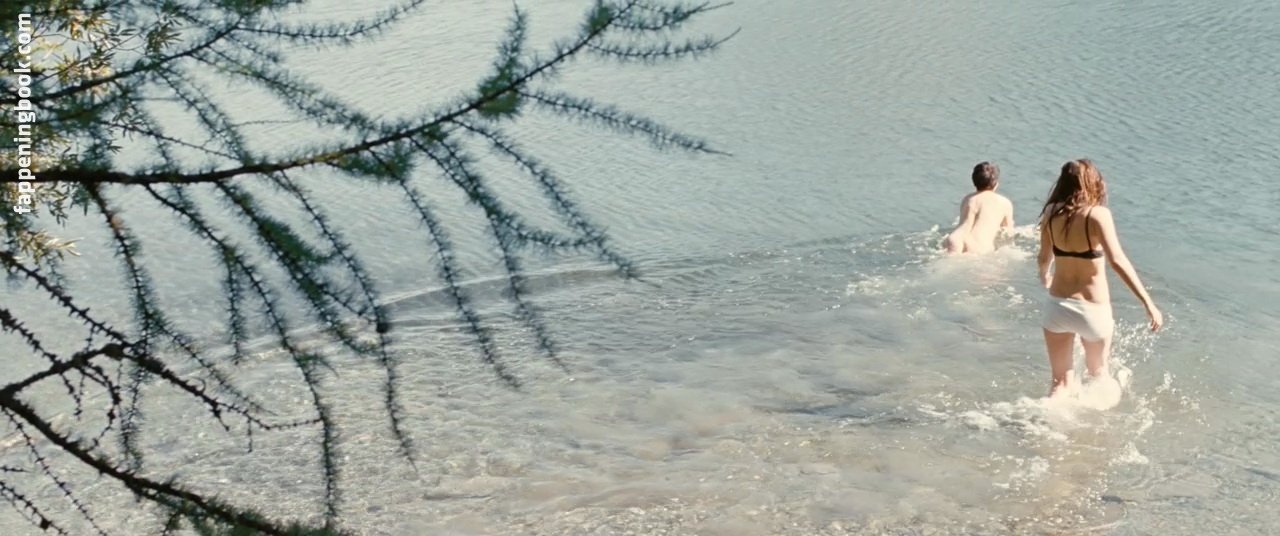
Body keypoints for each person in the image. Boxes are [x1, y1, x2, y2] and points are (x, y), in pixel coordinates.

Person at [1037, 159, 1163, 397]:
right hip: (1092, 310)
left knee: (1059, 383)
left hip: (1057, 306)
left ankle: (1045, 414)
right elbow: (1117, 261)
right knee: (1099, 375)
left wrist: (1045, 277)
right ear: (1092, 183)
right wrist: (1148, 303)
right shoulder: (1097, 215)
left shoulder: (1051, 213)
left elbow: (1044, 258)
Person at [943, 161, 1014, 254]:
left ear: (974, 181)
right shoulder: (1005, 203)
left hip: (955, 238)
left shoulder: (968, 198)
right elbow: (1008, 233)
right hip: (978, 245)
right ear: (996, 183)